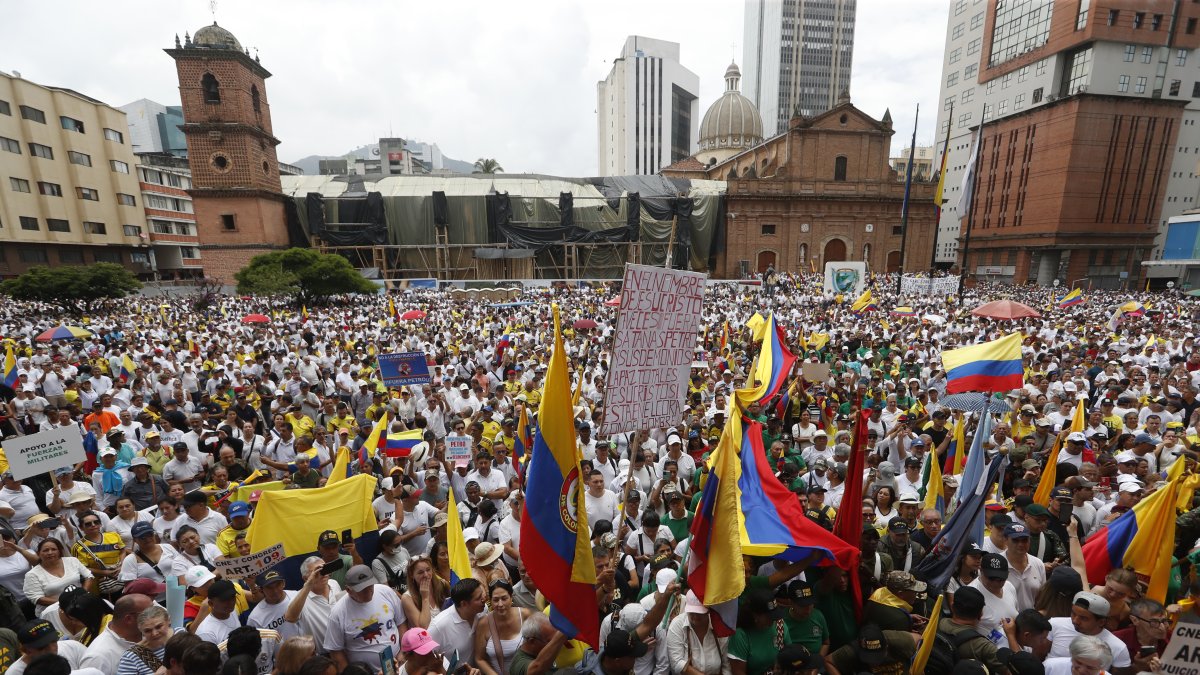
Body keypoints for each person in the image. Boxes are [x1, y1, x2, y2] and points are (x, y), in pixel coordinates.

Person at [323, 564, 407, 669]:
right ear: (348, 590)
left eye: (370, 585)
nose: (369, 591)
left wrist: (403, 651)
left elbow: (401, 622)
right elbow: (335, 650)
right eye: (362, 589)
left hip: (398, 663)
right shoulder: (338, 613)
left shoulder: (386, 592)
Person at [1046, 592, 1130, 671]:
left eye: (1083, 618)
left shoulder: (1118, 648)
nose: (1075, 621)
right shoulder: (1055, 624)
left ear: (1101, 622)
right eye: (1073, 613)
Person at [281, 557, 345, 654]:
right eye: (316, 572)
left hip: (347, 645)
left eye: (324, 569)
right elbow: (290, 617)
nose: (323, 574)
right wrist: (309, 584)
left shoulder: (334, 584)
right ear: (306, 578)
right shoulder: (301, 598)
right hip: (326, 654)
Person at [935, 586, 1005, 674]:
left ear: (952, 607)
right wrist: (1011, 635)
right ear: (980, 614)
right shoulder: (984, 647)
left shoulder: (935, 625)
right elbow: (1010, 671)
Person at [80, 593, 154, 673]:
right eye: (149, 614)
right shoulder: (98, 657)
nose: (156, 617)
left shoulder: (151, 634)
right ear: (129, 619)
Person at [471, 580, 531, 675]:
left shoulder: (525, 615)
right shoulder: (483, 624)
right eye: (495, 600)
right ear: (490, 600)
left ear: (511, 597)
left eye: (504, 598)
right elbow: (479, 658)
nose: (500, 604)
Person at [22, 539, 94, 617]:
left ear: (59, 551)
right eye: (46, 550)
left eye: (53, 549)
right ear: (38, 553)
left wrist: (82, 594)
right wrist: (67, 603)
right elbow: (37, 598)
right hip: (52, 613)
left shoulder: (72, 561)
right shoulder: (32, 574)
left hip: (81, 606)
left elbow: (89, 576)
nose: (50, 552)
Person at [729, 587, 791, 675]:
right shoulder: (741, 635)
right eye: (769, 616)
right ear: (755, 615)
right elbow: (738, 672)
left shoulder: (779, 626)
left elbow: (791, 655)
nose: (774, 619)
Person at [428, 578, 487, 668]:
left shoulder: (483, 609)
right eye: (478, 598)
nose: (484, 599)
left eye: (482, 595)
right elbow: (427, 658)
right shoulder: (438, 626)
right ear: (463, 604)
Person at [825, 623, 917, 675]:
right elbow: (828, 661)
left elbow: (921, 641)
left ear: (886, 647)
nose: (874, 663)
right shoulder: (853, 650)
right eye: (870, 658)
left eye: (878, 656)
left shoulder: (901, 641)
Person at [6, 619, 87, 675]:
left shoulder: (73, 647)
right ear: (26, 650)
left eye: (54, 641)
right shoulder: (14, 673)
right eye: (42, 647)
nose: (52, 649)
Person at [115, 605, 172, 675]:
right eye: (148, 631)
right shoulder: (131, 657)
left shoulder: (181, 634)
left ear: (168, 621)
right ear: (141, 631)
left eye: (158, 627)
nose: (154, 633)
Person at [1043, 635, 1115, 675]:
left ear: (1102, 667)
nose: (1081, 670)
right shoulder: (1051, 666)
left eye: (1090, 667)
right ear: (1072, 656)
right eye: (1078, 662)